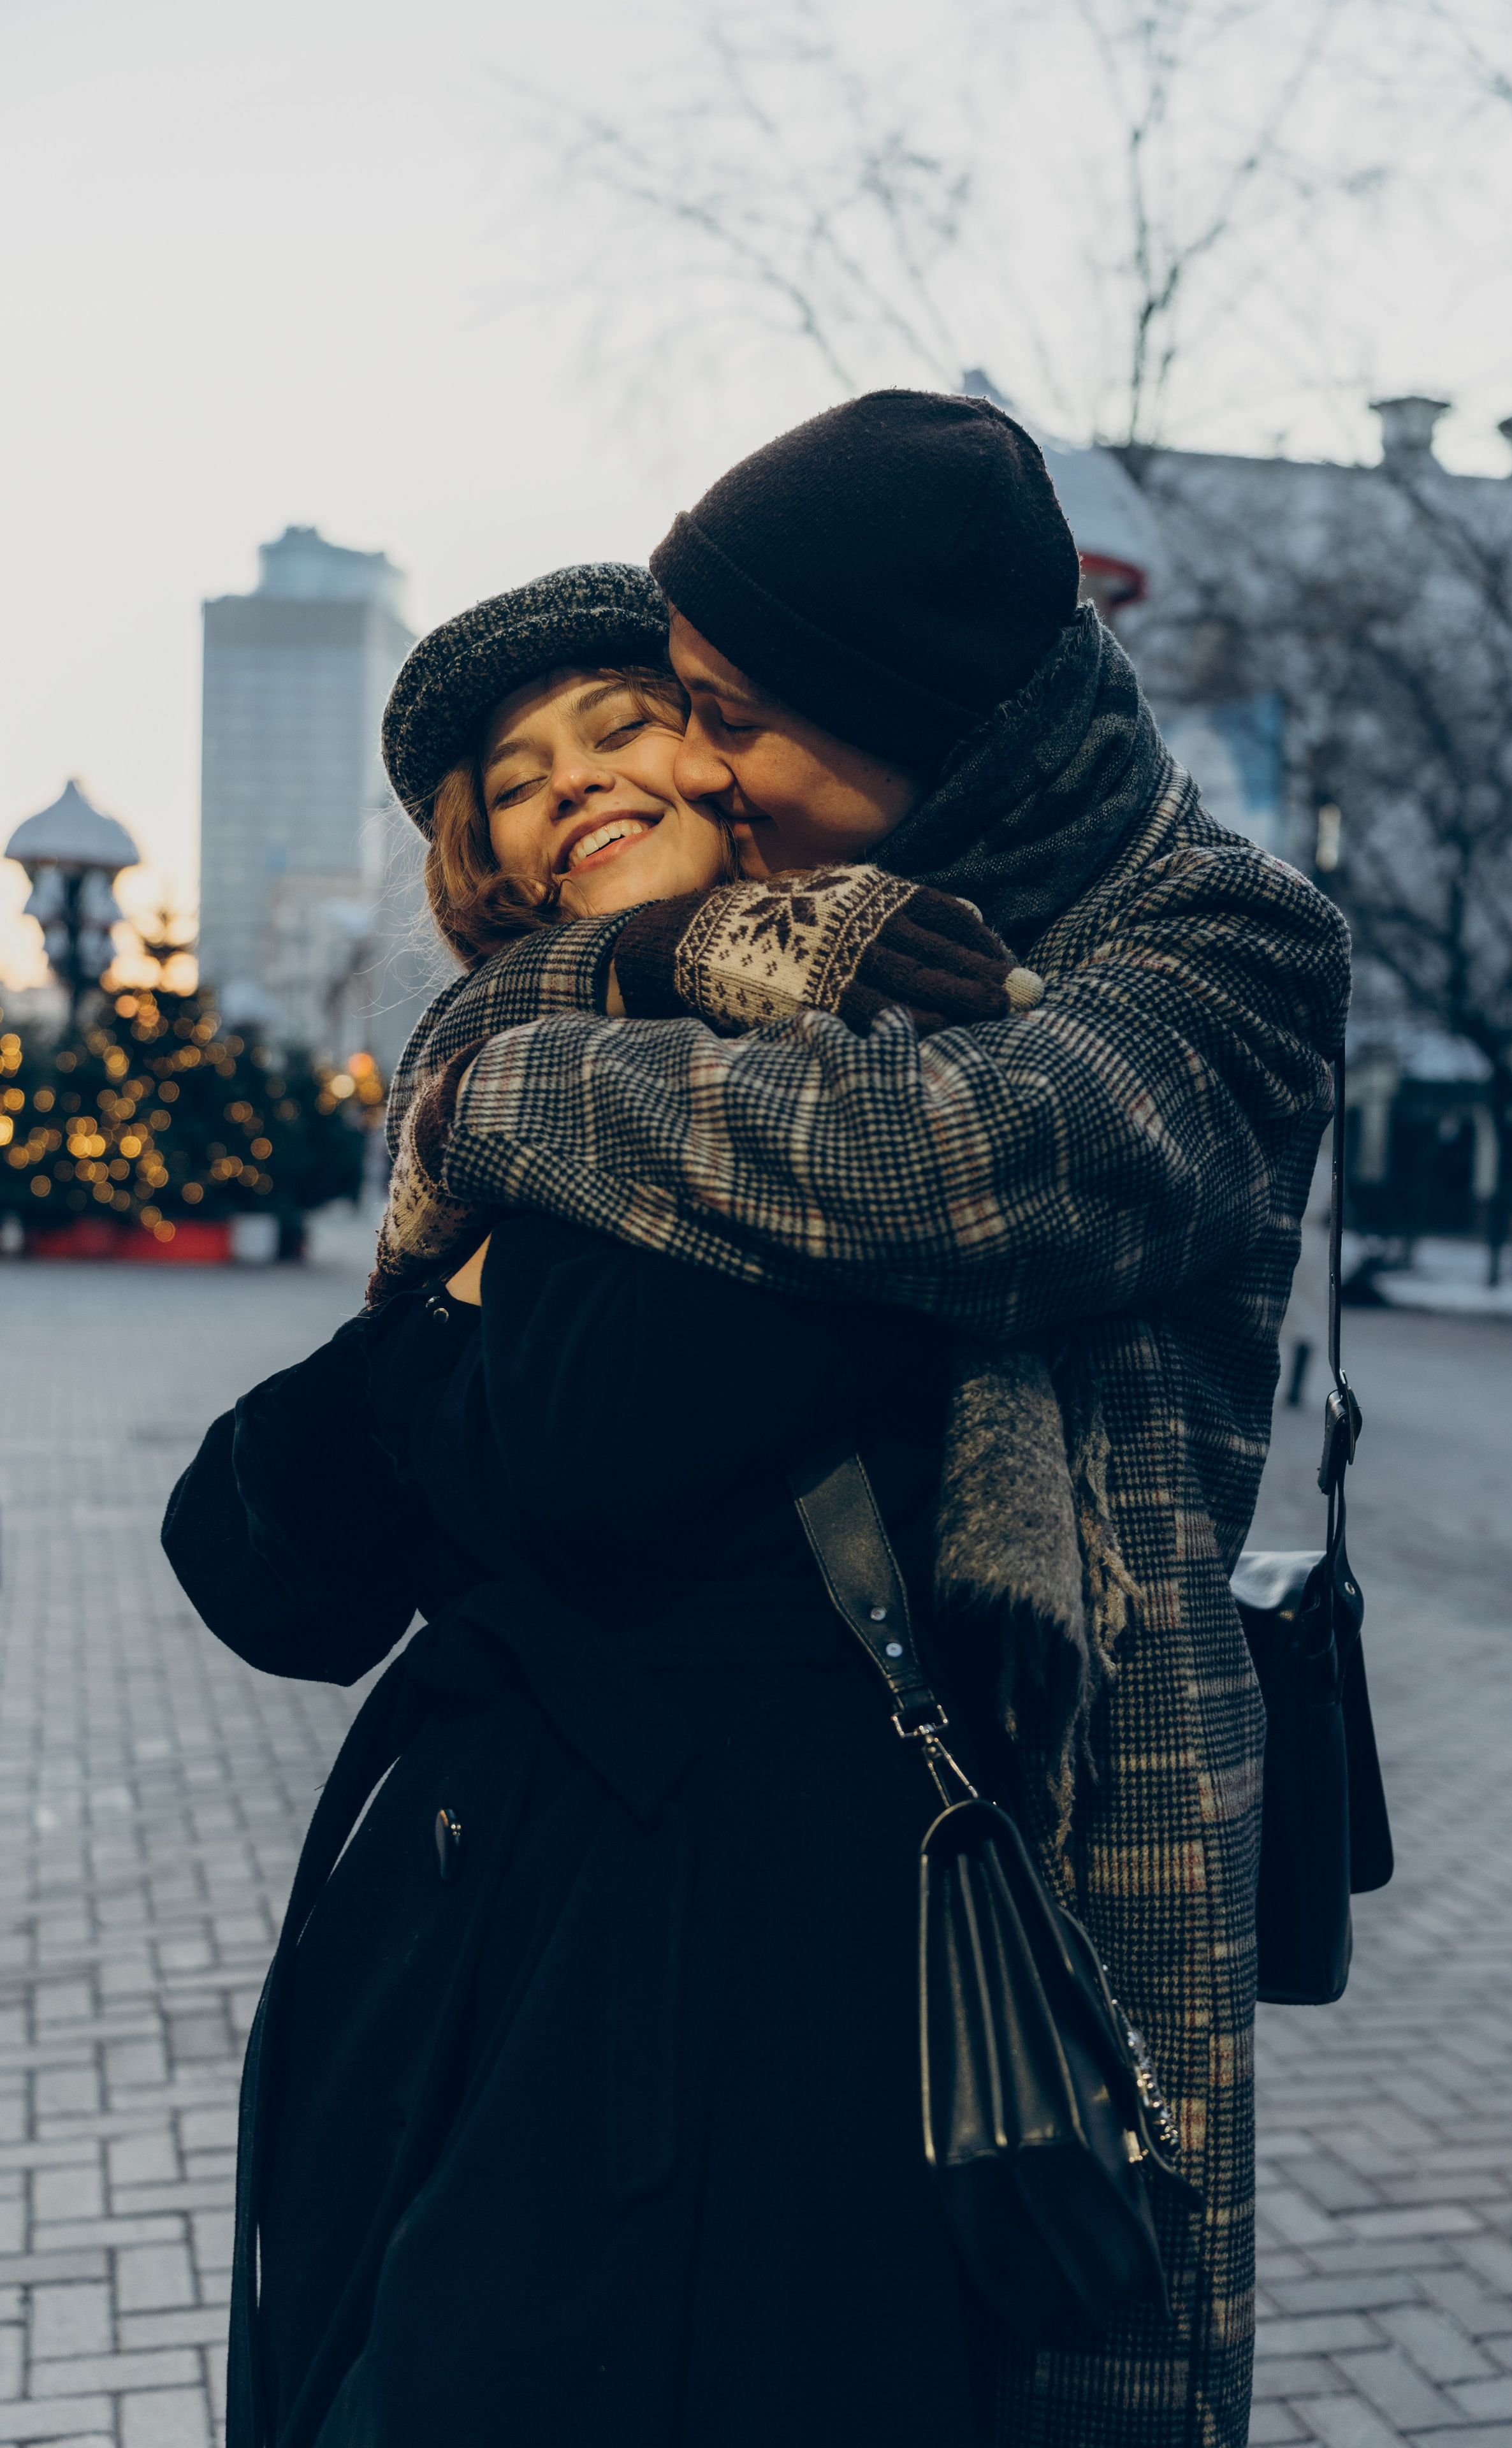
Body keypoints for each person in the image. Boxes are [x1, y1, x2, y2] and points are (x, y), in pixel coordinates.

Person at [382, 390, 1352, 2448]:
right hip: (782, 1858)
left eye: (729, 711)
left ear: (910, 707)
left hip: (1071, 1808)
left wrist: (512, 1089)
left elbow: (966, 1164)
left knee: (1062, 2356)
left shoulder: (1227, 940)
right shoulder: (807, 932)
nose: (698, 762)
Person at [165, 565, 1042, 2448]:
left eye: (617, 723)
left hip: (745, 1939)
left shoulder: (866, 1027)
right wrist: (476, 1250)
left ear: (727, 754)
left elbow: (588, 1462)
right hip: (470, 1929)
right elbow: (258, 1572)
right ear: (488, 854)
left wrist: (487, 1234)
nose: (567, 780)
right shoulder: (492, 1090)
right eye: (513, 773)